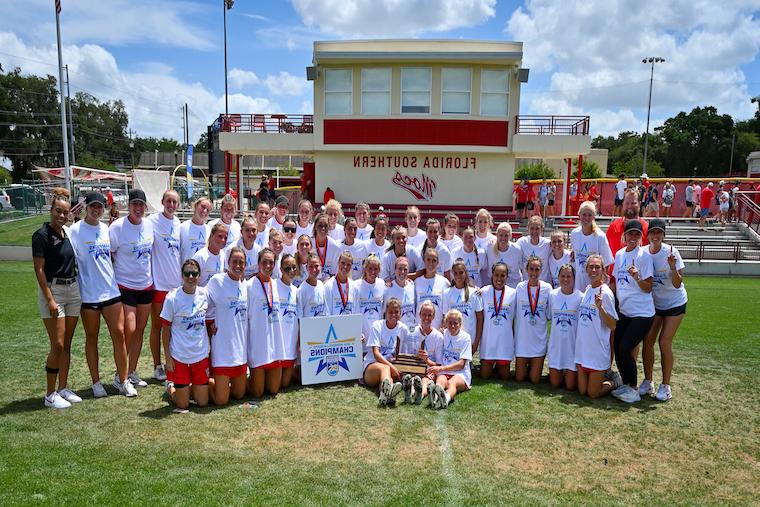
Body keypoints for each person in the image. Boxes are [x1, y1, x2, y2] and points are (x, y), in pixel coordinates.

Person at [69, 192, 135, 398]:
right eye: (93, 206)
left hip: (111, 291)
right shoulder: (74, 231)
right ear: (86, 207)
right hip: (88, 295)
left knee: (119, 335)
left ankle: (122, 381)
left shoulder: (106, 229)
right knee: (92, 338)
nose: (97, 210)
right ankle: (96, 383)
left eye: (100, 207)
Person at [33, 188, 82, 408]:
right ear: (51, 210)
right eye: (58, 212)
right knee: (58, 344)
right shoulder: (41, 236)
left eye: (65, 212)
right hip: (54, 292)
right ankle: (50, 394)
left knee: (67, 344)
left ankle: (62, 388)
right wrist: (50, 299)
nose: (61, 216)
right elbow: (40, 270)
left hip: (73, 290)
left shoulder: (67, 233)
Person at [110, 188, 154, 389]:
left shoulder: (149, 226)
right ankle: (121, 376)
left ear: (145, 207)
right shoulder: (118, 227)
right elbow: (109, 255)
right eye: (134, 204)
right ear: (128, 206)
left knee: (140, 331)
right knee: (130, 329)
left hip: (146, 286)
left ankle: (132, 372)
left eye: (141, 204)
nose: (138, 208)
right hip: (125, 286)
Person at [640, 219, 687, 402]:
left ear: (664, 235)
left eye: (659, 233)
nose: (656, 236)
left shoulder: (671, 252)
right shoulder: (643, 252)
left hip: (675, 303)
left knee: (664, 342)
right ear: (648, 234)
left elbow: (677, 284)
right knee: (648, 341)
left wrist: (673, 267)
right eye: (653, 232)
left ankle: (665, 386)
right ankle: (648, 381)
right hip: (655, 304)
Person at [611, 220, 655, 404]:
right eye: (630, 234)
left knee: (625, 348)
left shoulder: (644, 256)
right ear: (625, 235)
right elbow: (615, 282)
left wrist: (637, 277)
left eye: (637, 234)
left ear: (641, 237)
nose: (633, 238)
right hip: (624, 311)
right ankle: (626, 383)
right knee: (617, 347)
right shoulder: (620, 254)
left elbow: (648, 287)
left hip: (642, 313)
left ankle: (634, 388)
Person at [160, 259, 210, 411]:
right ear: (181, 275)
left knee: (202, 402)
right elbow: (165, 330)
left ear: (199, 276)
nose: (190, 277)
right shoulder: (172, 298)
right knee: (183, 405)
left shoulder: (205, 294)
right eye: (187, 273)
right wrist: (168, 358)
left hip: (200, 355)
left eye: (194, 273)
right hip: (179, 356)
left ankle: (191, 386)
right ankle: (170, 386)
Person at [205, 247, 248, 406]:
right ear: (228, 262)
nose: (238, 265)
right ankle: (203, 384)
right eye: (234, 262)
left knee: (238, 395)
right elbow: (203, 303)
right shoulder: (217, 281)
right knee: (222, 401)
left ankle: (222, 384)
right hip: (223, 350)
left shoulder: (245, 286)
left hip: (240, 351)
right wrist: (209, 324)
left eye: (241, 262)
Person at [147, 190, 181, 382]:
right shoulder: (152, 221)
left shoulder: (178, 224)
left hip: (176, 286)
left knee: (174, 327)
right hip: (159, 285)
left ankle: (174, 361)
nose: (171, 205)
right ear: (162, 202)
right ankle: (156, 365)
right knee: (157, 326)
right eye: (168, 201)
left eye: (175, 202)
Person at [575, 254, 619, 399]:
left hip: (597, 352)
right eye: (591, 267)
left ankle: (615, 382)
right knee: (582, 391)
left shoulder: (605, 293)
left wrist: (601, 309)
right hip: (582, 351)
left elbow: (613, 325)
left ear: (602, 270)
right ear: (586, 269)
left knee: (592, 393)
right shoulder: (588, 289)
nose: (593, 270)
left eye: (597, 267)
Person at [472, 262, 515, 380]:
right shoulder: (484, 291)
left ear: (507, 276)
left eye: (503, 275)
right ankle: (491, 364)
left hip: (504, 343)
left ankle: (499, 365)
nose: (499, 278)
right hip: (488, 342)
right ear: (492, 275)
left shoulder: (513, 293)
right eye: (496, 275)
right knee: (484, 376)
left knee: (505, 377)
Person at [513, 256, 551, 384]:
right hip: (523, 340)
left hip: (538, 340)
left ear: (541, 270)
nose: (534, 273)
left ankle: (534, 363)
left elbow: (549, 313)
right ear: (526, 270)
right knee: (519, 378)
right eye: (531, 269)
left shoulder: (547, 288)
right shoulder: (520, 287)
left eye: (537, 269)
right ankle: (526, 364)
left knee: (535, 380)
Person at [362, 298, 407, 406]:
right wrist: (391, 366)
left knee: (388, 375)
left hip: (391, 367)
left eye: (396, 312)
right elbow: (376, 354)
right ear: (385, 312)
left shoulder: (403, 329)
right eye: (390, 312)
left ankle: (387, 393)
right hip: (371, 366)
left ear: (400, 313)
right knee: (386, 368)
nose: (393, 315)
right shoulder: (377, 325)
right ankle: (388, 391)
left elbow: (401, 354)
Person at [427, 309, 472, 409]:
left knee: (452, 383)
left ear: (460, 324)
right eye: (450, 323)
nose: (452, 326)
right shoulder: (443, 334)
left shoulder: (466, 338)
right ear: (445, 323)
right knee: (440, 380)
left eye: (455, 323)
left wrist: (441, 369)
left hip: (461, 373)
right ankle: (434, 399)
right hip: (445, 371)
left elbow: (461, 364)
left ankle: (446, 399)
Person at [546, 264, 582, 390]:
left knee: (570, 386)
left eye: (569, 276)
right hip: (556, 346)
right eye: (562, 276)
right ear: (558, 277)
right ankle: (560, 371)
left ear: (574, 278)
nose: (565, 279)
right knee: (555, 384)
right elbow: (549, 316)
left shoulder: (580, 297)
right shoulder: (552, 295)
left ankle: (570, 373)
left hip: (572, 346)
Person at [404, 302, 443, 404]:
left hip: (429, 370)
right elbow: (406, 356)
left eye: (429, 315)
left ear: (434, 316)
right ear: (419, 315)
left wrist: (427, 360)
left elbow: (439, 364)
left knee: (426, 380)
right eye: (424, 314)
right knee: (412, 378)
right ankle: (411, 394)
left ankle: (420, 395)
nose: (426, 318)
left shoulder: (438, 336)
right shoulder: (411, 332)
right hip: (414, 368)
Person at [570, 201, 614, 291]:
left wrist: (599, 285)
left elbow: (606, 264)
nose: (586, 218)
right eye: (584, 214)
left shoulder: (600, 236)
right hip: (579, 284)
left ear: (594, 216)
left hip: (595, 285)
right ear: (579, 215)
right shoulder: (574, 234)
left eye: (589, 215)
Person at [442, 259, 484, 348]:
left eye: (461, 272)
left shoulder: (474, 293)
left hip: (470, 340)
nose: (458, 276)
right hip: (452, 340)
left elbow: (480, 319)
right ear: (452, 274)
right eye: (455, 273)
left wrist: (476, 341)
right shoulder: (447, 293)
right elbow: (445, 319)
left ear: (465, 273)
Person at [606, 189, 649, 275]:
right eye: (627, 203)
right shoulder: (613, 227)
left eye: (633, 203)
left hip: (640, 282)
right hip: (616, 281)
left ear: (639, 204)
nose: (630, 206)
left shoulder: (646, 228)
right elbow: (606, 255)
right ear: (623, 204)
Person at [276, 253, 300, 390]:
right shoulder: (274, 286)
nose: (291, 271)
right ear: (281, 270)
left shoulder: (296, 291)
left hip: (290, 343)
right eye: (287, 268)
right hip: (278, 344)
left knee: (285, 384)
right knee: (275, 385)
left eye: (293, 268)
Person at [413, 248, 450, 329]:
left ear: (438, 262)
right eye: (428, 259)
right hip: (420, 330)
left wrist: (443, 328)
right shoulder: (417, 282)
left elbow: (446, 309)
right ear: (424, 261)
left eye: (434, 260)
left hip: (437, 330)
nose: (431, 263)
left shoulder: (444, 282)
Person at [358, 254, 385, 347]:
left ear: (379, 270)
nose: (373, 272)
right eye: (370, 268)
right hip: (361, 336)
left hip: (377, 336)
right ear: (365, 269)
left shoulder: (382, 284)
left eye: (376, 269)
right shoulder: (356, 285)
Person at [485, 222, 522, 288]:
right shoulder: (490, 247)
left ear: (510, 236)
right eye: (501, 235)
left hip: (513, 285)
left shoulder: (517, 250)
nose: (503, 238)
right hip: (495, 285)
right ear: (497, 235)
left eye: (506, 235)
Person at [384, 256, 417, 329]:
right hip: (395, 332)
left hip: (411, 330)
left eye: (405, 269)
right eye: (400, 269)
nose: (402, 272)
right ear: (395, 270)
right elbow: (384, 313)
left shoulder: (412, 286)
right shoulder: (388, 289)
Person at [324, 251, 361, 316]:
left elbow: (356, 312)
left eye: (348, 264)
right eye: (343, 263)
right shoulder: (328, 286)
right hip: (333, 325)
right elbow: (327, 313)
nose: (345, 267)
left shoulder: (354, 287)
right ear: (338, 263)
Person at [516, 215, 551, 283]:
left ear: (542, 229)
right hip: (527, 285)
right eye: (532, 228)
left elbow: (561, 250)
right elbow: (509, 248)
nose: (534, 231)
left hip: (543, 285)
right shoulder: (522, 242)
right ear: (528, 228)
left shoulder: (547, 244)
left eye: (537, 229)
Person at [179, 197, 212, 263]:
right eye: (203, 207)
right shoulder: (182, 227)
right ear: (196, 205)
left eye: (208, 210)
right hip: (186, 270)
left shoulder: (209, 230)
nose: (204, 211)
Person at [312, 213, 342, 280]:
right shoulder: (309, 245)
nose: (323, 228)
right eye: (320, 225)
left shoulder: (335, 247)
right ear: (315, 227)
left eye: (325, 226)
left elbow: (334, 273)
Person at [297, 252, 327, 318]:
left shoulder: (321, 285)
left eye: (316, 266)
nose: (314, 270)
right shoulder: (302, 290)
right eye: (311, 267)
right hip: (308, 327)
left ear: (320, 266)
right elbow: (299, 317)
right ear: (306, 268)